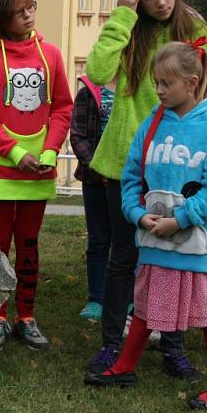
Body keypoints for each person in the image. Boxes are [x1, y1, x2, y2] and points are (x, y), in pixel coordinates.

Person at [83, 0, 207, 381]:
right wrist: (123, 16)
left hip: (182, 168)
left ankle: (173, 347)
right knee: (124, 258)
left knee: (180, 257)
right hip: (130, 160)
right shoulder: (131, 30)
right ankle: (113, 345)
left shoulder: (197, 33)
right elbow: (96, 70)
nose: (162, 1)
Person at [0, 0, 73, 351]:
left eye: (32, 6)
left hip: (39, 170)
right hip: (0, 169)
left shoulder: (52, 55)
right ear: (2, 18)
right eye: (20, 10)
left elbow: (63, 106)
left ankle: (25, 315)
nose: (29, 14)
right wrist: (14, 152)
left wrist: (48, 153)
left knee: (28, 245)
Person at [70, 76, 115, 320]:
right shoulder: (89, 91)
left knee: (128, 243)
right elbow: (77, 136)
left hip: (127, 179)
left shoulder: (139, 89)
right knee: (99, 239)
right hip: (94, 179)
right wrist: (98, 168)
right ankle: (97, 298)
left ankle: (128, 298)